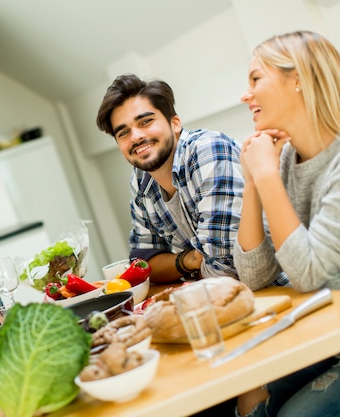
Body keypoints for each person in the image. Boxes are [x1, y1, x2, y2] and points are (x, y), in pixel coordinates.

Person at [234, 30, 340, 417]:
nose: (245, 95)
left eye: (255, 79)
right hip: (327, 335)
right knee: (251, 400)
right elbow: (254, 275)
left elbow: (308, 274)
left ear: (297, 79)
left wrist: (265, 177)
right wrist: (252, 182)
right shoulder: (283, 159)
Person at [96, 74, 245, 283]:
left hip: (280, 294)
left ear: (175, 123)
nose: (136, 137)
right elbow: (142, 267)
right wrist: (187, 261)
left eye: (145, 121)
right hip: (222, 302)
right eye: (123, 133)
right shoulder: (140, 181)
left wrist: (180, 270)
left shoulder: (208, 150)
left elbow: (225, 269)